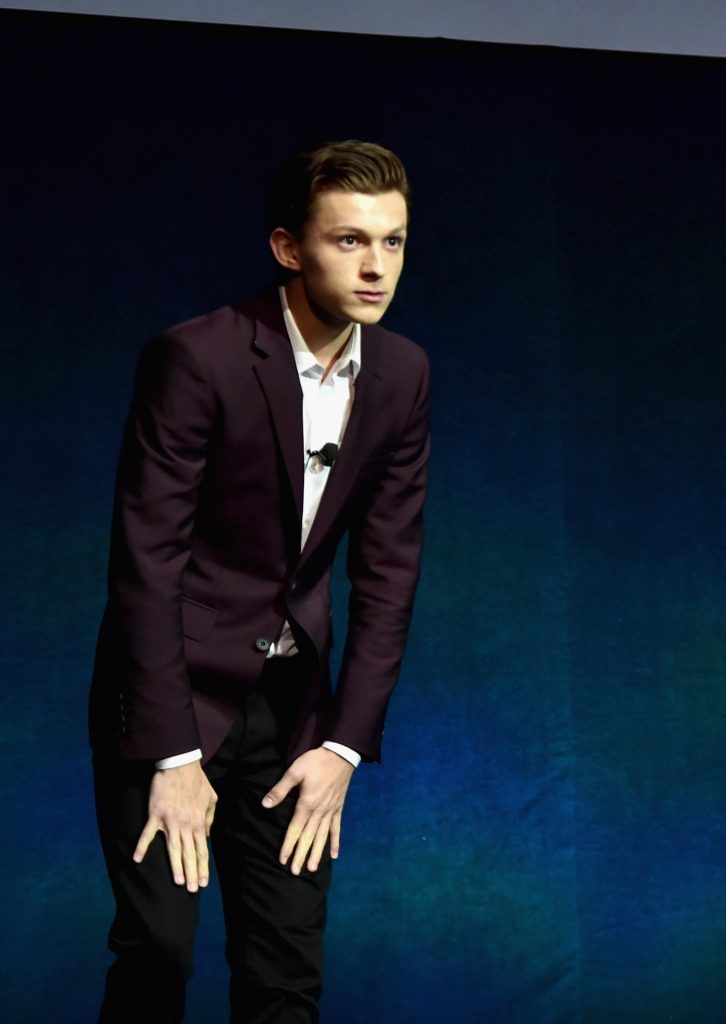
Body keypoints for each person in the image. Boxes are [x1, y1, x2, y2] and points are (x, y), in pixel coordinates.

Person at [89, 139, 430, 1023]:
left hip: (293, 712)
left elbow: (390, 573)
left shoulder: (401, 374)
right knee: (159, 953)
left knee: (284, 976)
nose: (376, 266)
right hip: (172, 701)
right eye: (350, 240)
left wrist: (344, 747)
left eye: (392, 242)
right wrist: (173, 755)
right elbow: (146, 565)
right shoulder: (197, 358)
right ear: (290, 248)